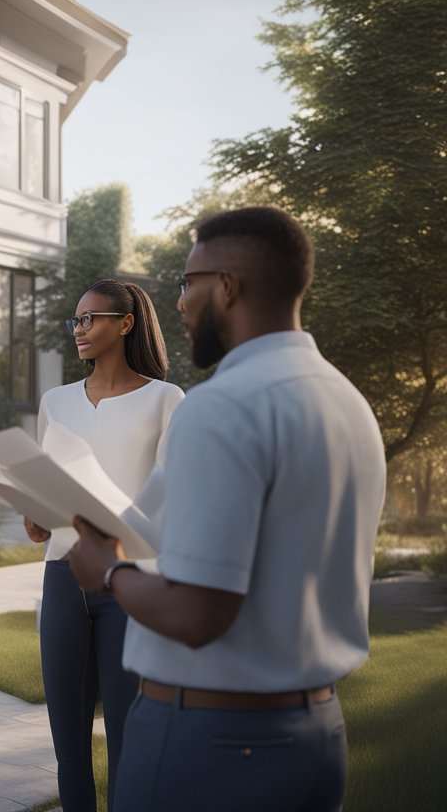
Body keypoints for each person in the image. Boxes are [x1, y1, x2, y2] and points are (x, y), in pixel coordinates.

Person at [66, 207, 386, 812]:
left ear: (229, 286)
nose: (183, 303)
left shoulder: (222, 408)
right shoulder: (348, 404)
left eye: (190, 285)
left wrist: (107, 574)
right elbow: (151, 523)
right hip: (316, 735)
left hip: (214, 745)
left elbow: (198, 614)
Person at [25, 279, 183, 812]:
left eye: (91, 319)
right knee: (68, 745)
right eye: (76, 320)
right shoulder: (56, 401)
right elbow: (50, 488)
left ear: (126, 323)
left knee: (127, 741)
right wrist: (37, 515)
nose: (80, 330)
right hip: (63, 575)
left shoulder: (166, 400)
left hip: (131, 581)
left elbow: (168, 500)